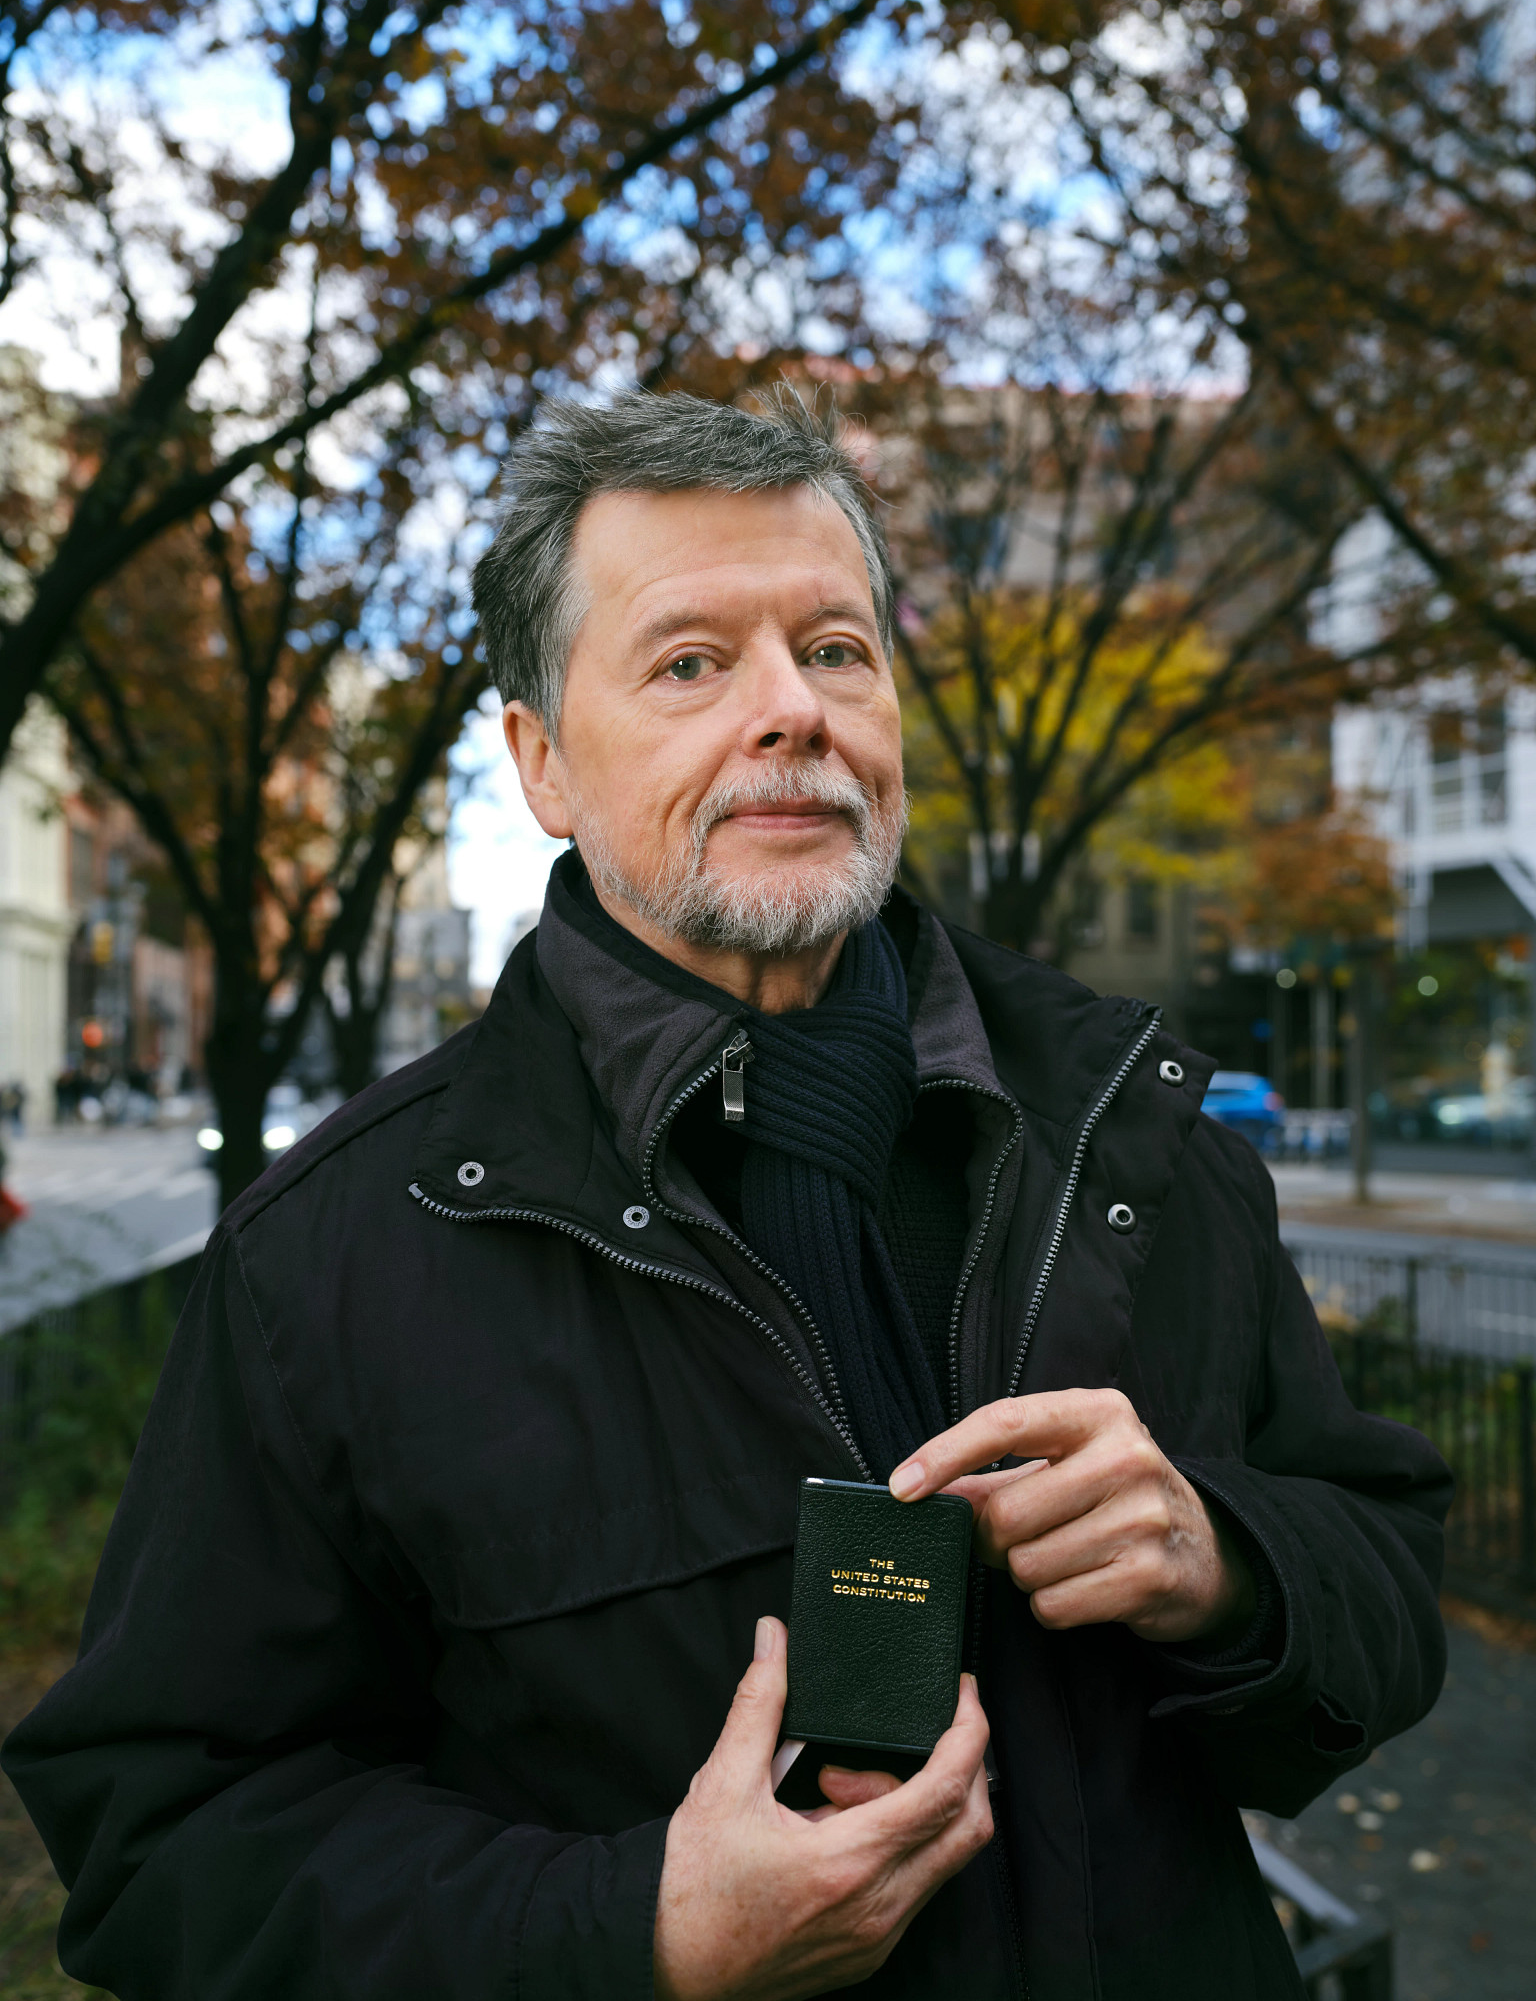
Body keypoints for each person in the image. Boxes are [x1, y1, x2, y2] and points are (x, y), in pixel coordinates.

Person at [3, 390, 1450, 2001]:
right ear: (542, 763)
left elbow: (1387, 1595)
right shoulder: (330, 1258)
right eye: (692, 664)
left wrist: (1228, 1561)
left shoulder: (1139, 1142)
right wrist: (636, 1934)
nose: (792, 712)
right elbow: (161, 1843)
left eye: (837, 650)